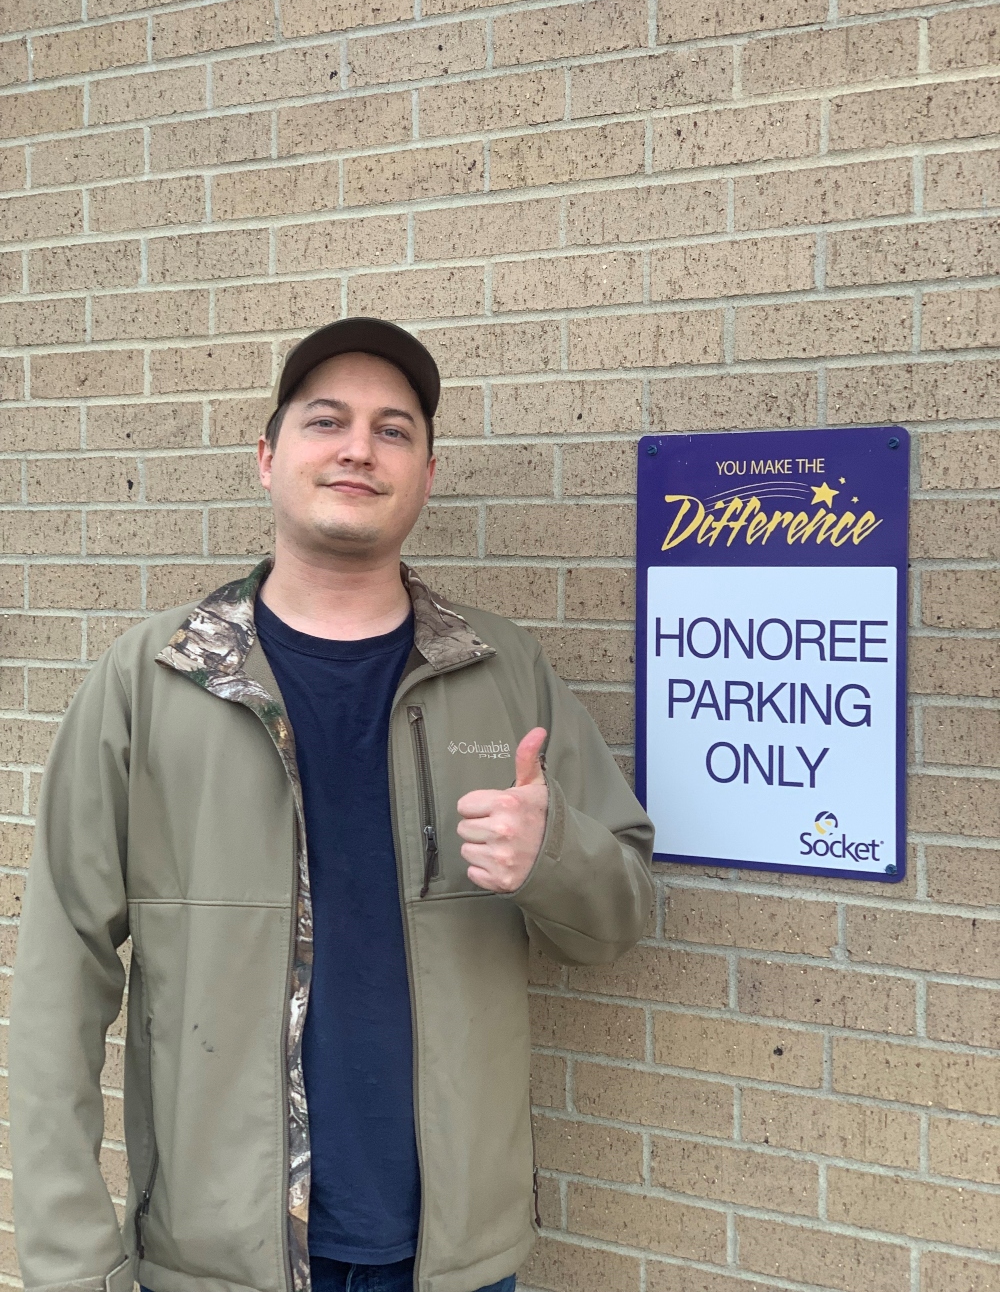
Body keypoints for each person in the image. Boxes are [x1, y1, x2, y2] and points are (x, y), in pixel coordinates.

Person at [9, 317, 655, 1292]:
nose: (359, 447)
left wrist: (553, 851)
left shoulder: (501, 671)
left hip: (450, 1260)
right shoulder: (151, 680)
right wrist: (70, 1264)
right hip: (217, 1260)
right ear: (269, 456)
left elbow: (618, 919)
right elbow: (62, 979)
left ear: (427, 474)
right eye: (327, 421)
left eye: (395, 429)